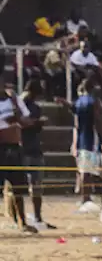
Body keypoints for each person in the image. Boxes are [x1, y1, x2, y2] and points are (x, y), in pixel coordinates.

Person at [1, 84, 38, 233]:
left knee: (18, 187)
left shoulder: (14, 99)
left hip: (15, 147)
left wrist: (17, 117)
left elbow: (26, 120)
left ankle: (22, 222)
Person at [19, 81, 55, 229]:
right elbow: (20, 124)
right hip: (22, 149)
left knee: (37, 185)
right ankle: (21, 219)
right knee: (19, 186)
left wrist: (37, 124)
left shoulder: (35, 107)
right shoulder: (18, 106)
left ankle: (38, 217)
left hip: (33, 148)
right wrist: (36, 123)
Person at [70, 80, 102, 207]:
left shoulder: (78, 102)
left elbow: (76, 125)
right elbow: (98, 121)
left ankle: (88, 196)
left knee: (84, 168)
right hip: (91, 138)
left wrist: (74, 143)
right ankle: (89, 198)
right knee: (92, 168)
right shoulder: (94, 102)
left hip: (81, 138)